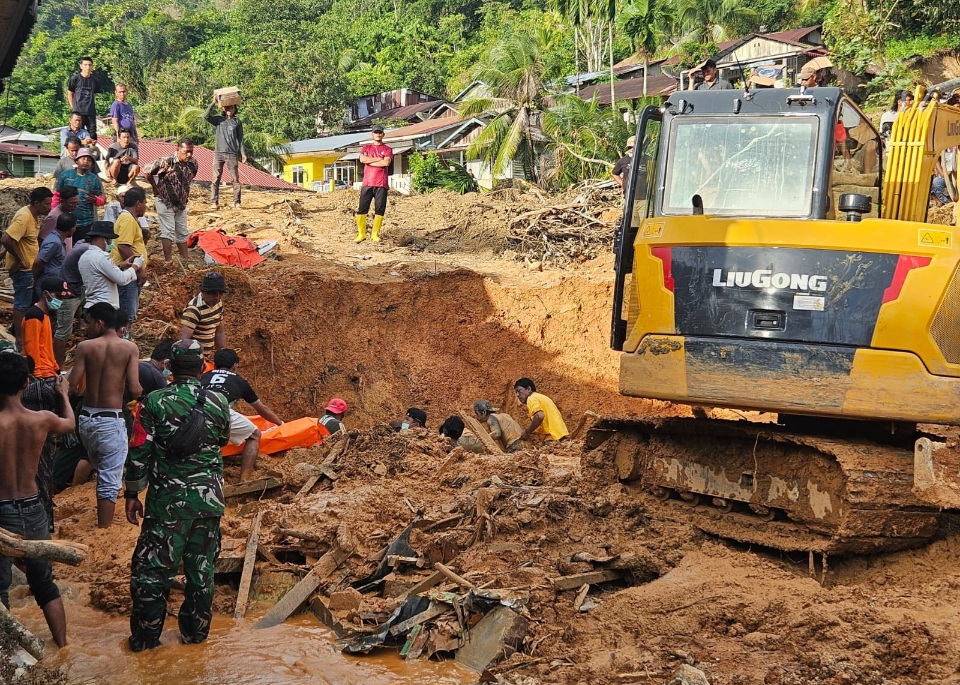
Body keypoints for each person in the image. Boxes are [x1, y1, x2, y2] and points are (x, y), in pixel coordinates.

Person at [124, 339, 231, 652]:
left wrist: (132, 493)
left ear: (169, 366)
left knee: (150, 574)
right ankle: (196, 640)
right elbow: (222, 439)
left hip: (167, 505)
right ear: (201, 367)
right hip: (209, 502)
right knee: (201, 573)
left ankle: (145, 643)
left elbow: (139, 451)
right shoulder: (218, 401)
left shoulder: (153, 402)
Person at [0, 352, 74, 648]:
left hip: (1, 511)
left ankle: (6, 656)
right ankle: (64, 647)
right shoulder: (41, 419)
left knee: (1, 588)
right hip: (33, 507)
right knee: (44, 584)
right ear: (27, 383)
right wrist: (64, 395)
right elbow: (69, 424)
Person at [68, 302, 142, 528]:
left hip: (86, 419)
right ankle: (104, 529)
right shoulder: (129, 348)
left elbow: (71, 386)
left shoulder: (85, 347)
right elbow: (135, 387)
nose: (85, 327)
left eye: (88, 322)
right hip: (111, 420)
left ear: (100, 323)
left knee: (97, 463)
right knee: (110, 478)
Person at [200, 348, 283, 483]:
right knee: (254, 435)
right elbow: (262, 409)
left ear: (214, 364)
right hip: (219, 410)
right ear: (235, 366)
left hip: (193, 410)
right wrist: (280, 424)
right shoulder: (239, 381)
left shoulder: (204, 376)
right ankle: (244, 480)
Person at [2, 187, 53, 350]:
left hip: (29, 268)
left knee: (29, 301)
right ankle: (20, 341)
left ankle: (18, 330)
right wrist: (19, 259)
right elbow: (6, 239)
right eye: (46, 204)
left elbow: (13, 240)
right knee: (22, 304)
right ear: (36, 203)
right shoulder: (24, 218)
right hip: (24, 270)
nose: (49, 207)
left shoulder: (33, 215)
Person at [143, 138, 198, 261]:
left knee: (182, 232)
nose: (189, 155)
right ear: (177, 149)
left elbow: (190, 178)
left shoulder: (193, 163)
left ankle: (184, 260)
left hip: (181, 203)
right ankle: (168, 261)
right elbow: (146, 170)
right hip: (165, 201)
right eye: (186, 152)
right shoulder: (167, 161)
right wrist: (155, 187)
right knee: (168, 232)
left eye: (191, 151)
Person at [78, 221, 141, 311]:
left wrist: (121, 266)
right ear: (104, 239)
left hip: (91, 305)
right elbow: (121, 279)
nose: (111, 243)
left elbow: (101, 274)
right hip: (105, 306)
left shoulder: (84, 256)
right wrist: (135, 266)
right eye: (110, 240)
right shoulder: (102, 257)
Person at [110, 186, 149, 327]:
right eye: (145, 202)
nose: (146, 206)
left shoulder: (129, 219)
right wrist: (138, 269)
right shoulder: (127, 220)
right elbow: (123, 246)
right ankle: (122, 345)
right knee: (126, 316)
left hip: (129, 273)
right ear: (138, 203)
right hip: (128, 275)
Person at [54, 147, 104, 243]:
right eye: (83, 159)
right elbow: (56, 195)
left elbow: (102, 199)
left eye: (89, 160)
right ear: (76, 161)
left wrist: (95, 200)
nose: (86, 161)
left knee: (81, 249)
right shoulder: (65, 175)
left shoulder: (94, 179)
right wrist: (55, 213)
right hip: (65, 222)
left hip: (86, 223)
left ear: (92, 164)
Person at [204, 98, 247, 209]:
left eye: (231, 108)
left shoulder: (237, 122)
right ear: (223, 108)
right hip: (218, 153)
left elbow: (240, 138)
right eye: (227, 107)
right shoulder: (219, 119)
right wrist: (213, 102)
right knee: (215, 178)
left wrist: (243, 153)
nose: (229, 110)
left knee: (235, 179)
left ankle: (237, 202)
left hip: (232, 154)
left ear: (234, 109)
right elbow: (206, 116)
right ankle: (214, 202)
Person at [56, 236, 93, 365]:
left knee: (81, 306)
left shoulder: (81, 243)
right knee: (63, 332)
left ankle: (80, 324)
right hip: (69, 293)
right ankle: (57, 367)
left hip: (76, 289)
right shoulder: (87, 249)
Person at [354, 126, 393, 243]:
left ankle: (374, 234)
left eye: (380, 132)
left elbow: (386, 162)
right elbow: (362, 159)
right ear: (372, 135)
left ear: (383, 135)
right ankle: (361, 234)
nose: (378, 134)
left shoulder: (387, 149)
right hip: (367, 182)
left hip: (381, 183)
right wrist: (378, 160)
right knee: (362, 209)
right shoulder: (366, 147)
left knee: (380, 209)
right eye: (376, 132)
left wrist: (370, 161)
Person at [180, 271, 228, 361]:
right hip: (194, 358)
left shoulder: (218, 304)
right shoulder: (194, 310)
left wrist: (222, 355)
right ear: (203, 292)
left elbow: (220, 332)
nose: (217, 298)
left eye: (220, 294)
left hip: (206, 357)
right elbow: (184, 340)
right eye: (213, 294)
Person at [513, 378, 569, 442]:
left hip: (553, 437)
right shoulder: (538, 397)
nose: (517, 395)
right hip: (560, 434)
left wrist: (527, 432)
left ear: (528, 389)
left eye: (519, 391)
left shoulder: (531, 398)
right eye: (516, 392)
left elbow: (539, 416)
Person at [33, 213, 76, 290]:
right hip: (48, 285)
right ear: (71, 229)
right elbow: (38, 262)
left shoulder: (56, 239)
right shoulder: (54, 242)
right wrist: (34, 280)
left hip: (53, 283)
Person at [67, 57, 99, 137]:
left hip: (90, 112)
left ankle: (90, 150)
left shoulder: (95, 80)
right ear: (81, 66)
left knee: (92, 135)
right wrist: (73, 108)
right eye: (85, 65)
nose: (87, 67)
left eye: (89, 65)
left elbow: (94, 95)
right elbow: (70, 93)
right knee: (77, 135)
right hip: (78, 111)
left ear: (92, 66)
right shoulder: (75, 79)